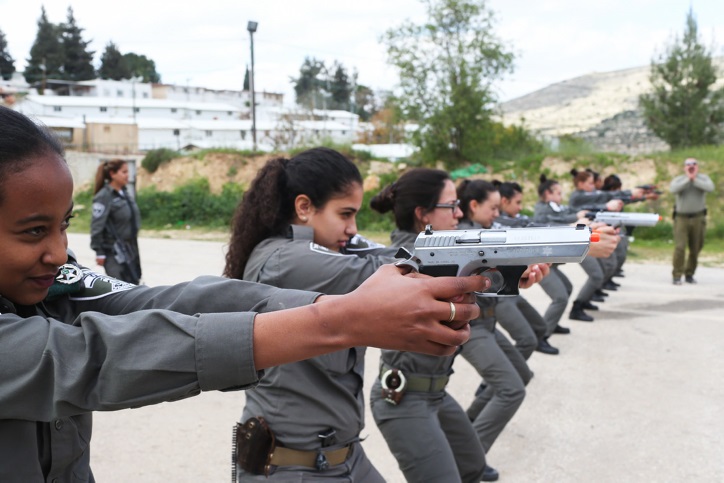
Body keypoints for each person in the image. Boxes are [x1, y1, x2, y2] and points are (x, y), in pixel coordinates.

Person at [0, 106, 486, 482]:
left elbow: (157, 304)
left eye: (63, 226)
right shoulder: (283, 256)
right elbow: (95, 357)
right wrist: (343, 320)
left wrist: (341, 311)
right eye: (33, 231)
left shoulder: (55, 278)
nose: (59, 252)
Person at [224, 147, 412, 481]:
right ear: (304, 207)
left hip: (342, 457)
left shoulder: (322, 248)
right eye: (345, 214)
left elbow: (387, 253)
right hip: (295, 467)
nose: (353, 228)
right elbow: (389, 269)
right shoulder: (287, 260)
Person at [368, 169, 499, 483]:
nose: (458, 213)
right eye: (450, 206)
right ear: (422, 214)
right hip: (402, 398)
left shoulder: (444, 255)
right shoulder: (402, 262)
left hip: (436, 394)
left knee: (473, 466)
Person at [454, 178, 547, 475]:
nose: (497, 213)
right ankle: (470, 461)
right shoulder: (466, 238)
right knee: (511, 390)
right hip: (472, 327)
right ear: (474, 206)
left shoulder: (484, 233)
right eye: (493, 207)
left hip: (487, 323)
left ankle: (465, 432)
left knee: (521, 374)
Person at [495, 181, 559, 356]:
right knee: (527, 341)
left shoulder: (518, 221)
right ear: (504, 201)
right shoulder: (498, 225)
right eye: (518, 202)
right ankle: (501, 382)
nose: (520, 207)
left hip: (508, 289)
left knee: (539, 327)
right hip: (495, 299)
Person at [90, 159, 142, 284]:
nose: (127, 175)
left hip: (130, 248)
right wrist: (99, 252)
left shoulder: (124, 192)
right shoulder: (104, 196)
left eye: (128, 172)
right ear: (113, 174)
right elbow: (96, 226)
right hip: (113, 251)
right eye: (124, 172)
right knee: (120, 288)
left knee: (133, 285)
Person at [670, 158, 714, 285]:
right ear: (684, 167)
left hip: (698, 217)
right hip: (681, 218)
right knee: (680, 247)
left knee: (695, 248)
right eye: (688, 164)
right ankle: (677, 274)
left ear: (697, 166)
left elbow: (709, 188)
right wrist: (688, 178)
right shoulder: (679, 179)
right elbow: (674, 189)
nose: (691, 166)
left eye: (693, 164)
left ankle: (689, 273)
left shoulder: (703, 178)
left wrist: (694, 178)